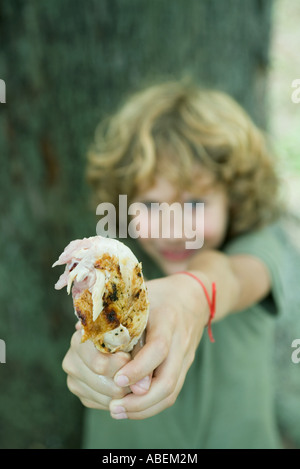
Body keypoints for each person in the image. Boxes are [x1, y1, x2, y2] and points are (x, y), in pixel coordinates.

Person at [62, 80, 286, 449]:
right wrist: (90, 367)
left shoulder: (256, 250)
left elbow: (227, 276)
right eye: (151, 205)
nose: (173, 229)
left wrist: (192, 296)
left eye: (195, 204)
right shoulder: (112, 270)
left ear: (235, 198)